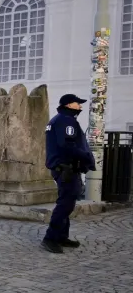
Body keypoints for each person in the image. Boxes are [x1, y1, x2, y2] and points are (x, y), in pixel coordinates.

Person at [42, 94, 95, 253]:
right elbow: (67, 145)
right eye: (77, 103)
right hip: (66, 168)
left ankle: (61, 236)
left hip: (65, 167)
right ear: (69, 105)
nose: (80, 106)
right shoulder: (66, 121)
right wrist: (85, 156)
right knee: (65, 204)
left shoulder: (58, 120)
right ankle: (50, 238)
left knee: (68, 202)